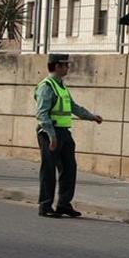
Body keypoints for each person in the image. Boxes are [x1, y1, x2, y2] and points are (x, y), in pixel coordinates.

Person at [34, 54, 102, 218]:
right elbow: (42, 114)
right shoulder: (46, 86)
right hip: (50, 133)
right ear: (57, 66)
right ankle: (45, 206)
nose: (68, 68)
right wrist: (51, 136)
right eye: (65, 65)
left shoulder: (61, 86)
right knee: (48, 170)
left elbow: (73, 107)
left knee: (69, 168)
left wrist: (92, 117)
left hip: (64, 132)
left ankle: (64, 204)